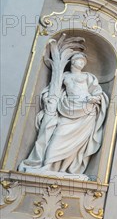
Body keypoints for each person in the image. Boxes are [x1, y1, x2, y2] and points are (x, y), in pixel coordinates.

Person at [19, 47, 108, 177]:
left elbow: (97, 91)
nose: (82, 63)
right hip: (67, 108)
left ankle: (63, 170)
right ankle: (47, 166)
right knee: (58, 135)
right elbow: (52, 89)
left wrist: (94, 98)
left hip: (86, 110)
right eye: (80, 61)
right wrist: (49, 99)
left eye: (83, 62)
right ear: (73, 61)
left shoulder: (87, 76)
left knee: (76, 143)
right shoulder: (64, 76)